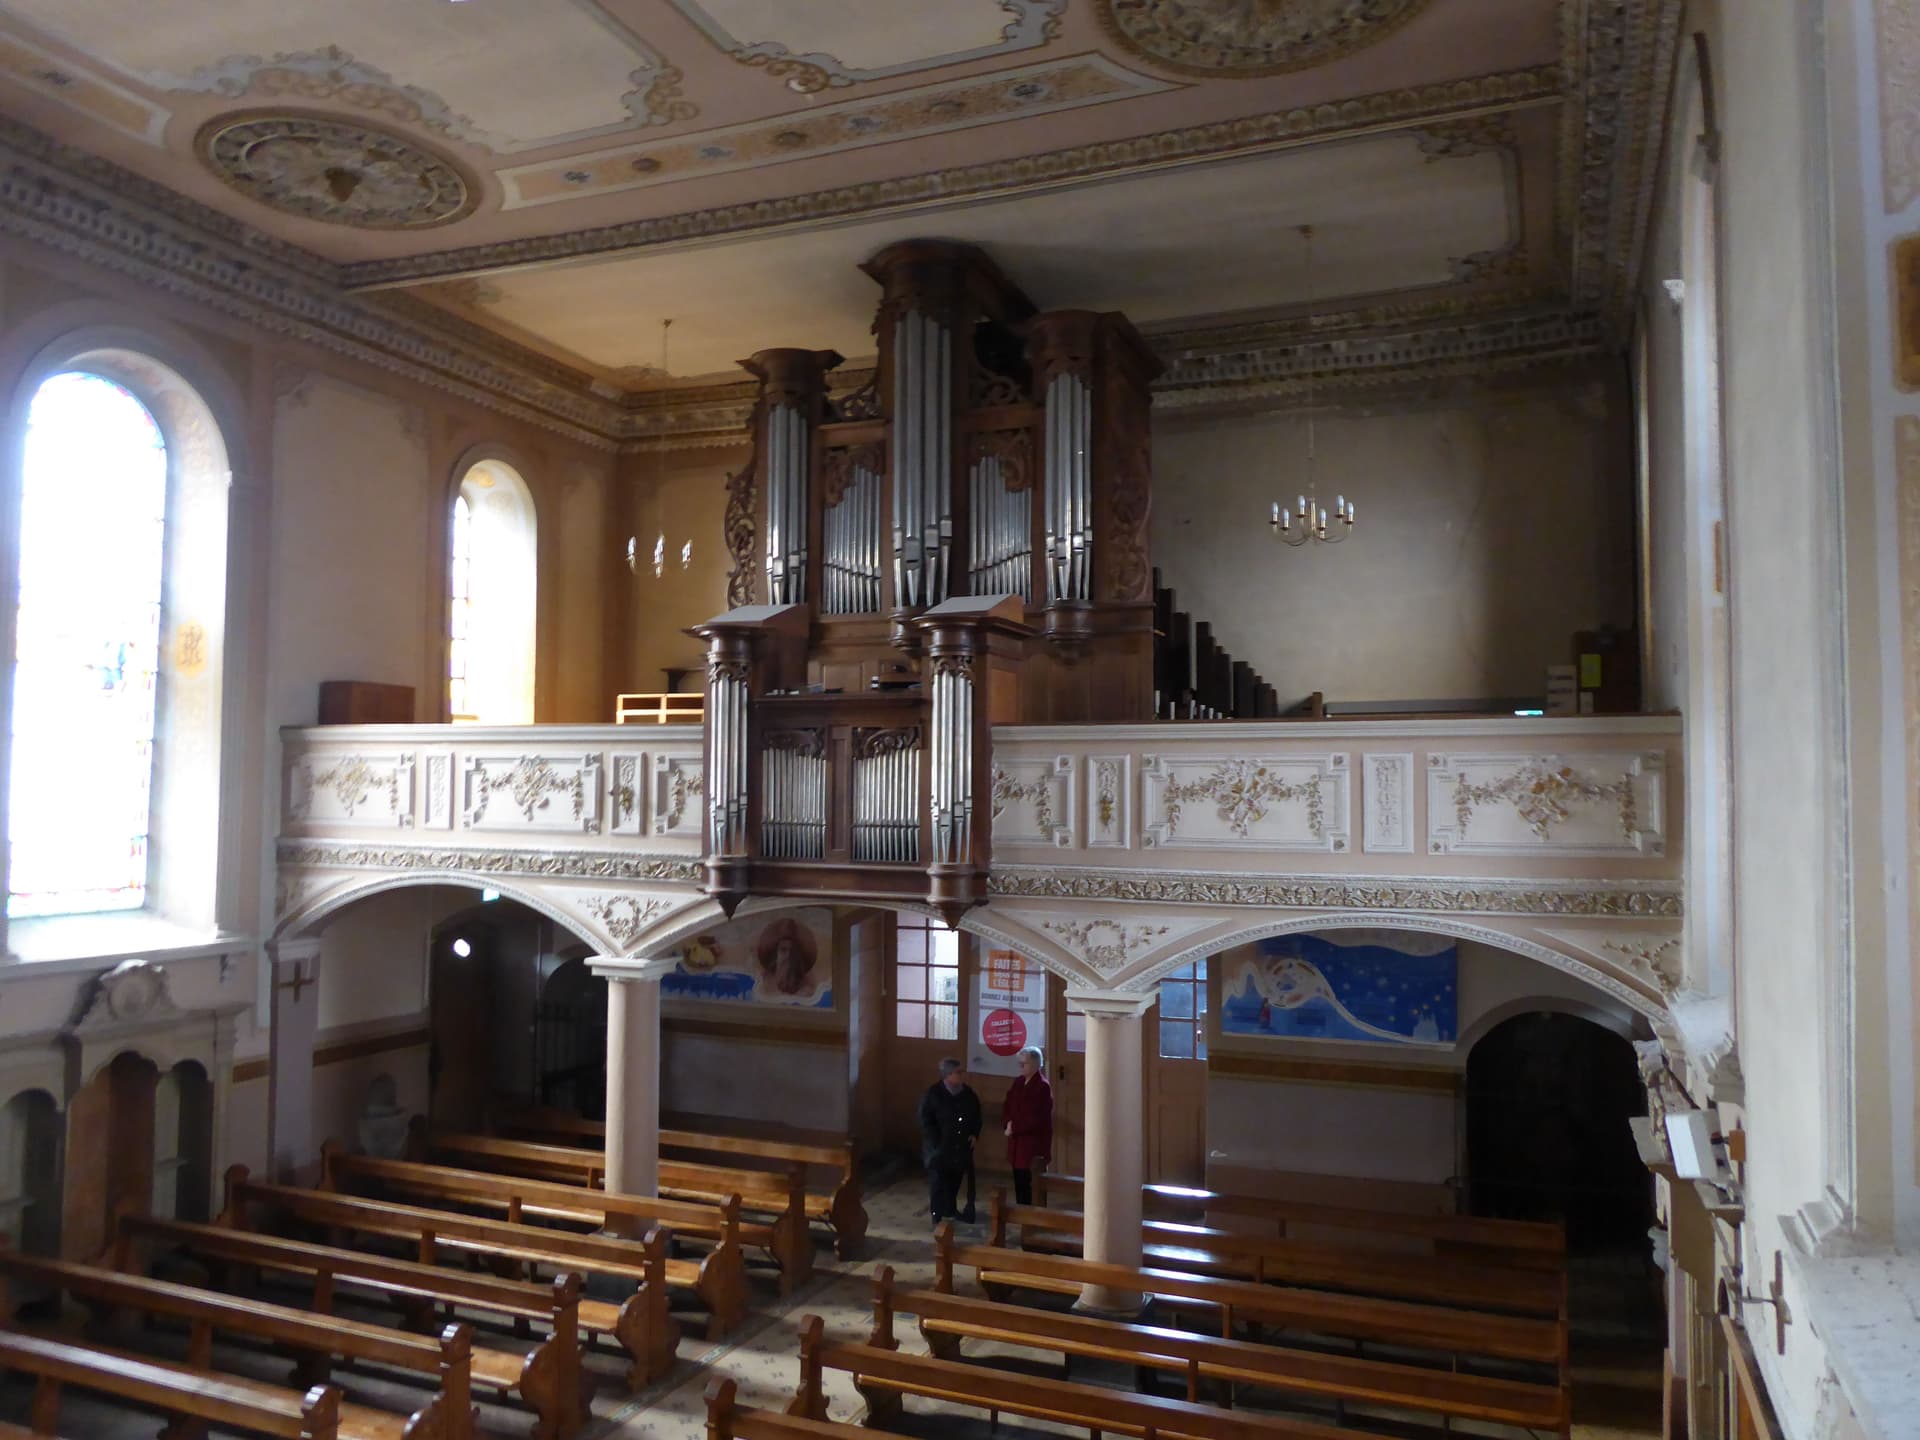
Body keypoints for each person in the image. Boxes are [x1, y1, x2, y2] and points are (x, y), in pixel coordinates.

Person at [918, 1057, 981, 1228]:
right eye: (958, 1072)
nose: (962, 1075)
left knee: (955, 1180)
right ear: (947, 1075)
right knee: (938, 1183)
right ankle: (937, 1216)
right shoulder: (934, 1093)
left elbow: (976, 1115)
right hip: (939, 1148)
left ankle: (950, 1210)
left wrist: (974, 1134)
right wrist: (936, 1140)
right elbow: (925, 1119)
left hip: (960, 1147)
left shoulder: (968, 1094)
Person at [1001, 1046, 1053, 1206]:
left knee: (1031, 1182)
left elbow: (1036, 1118)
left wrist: (1014, 1127)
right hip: (1017, 1142)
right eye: (1020, 1064)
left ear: (1036, 1065)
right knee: (1019, 1180)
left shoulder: (1042, 1086)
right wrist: (1008, 1122)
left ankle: (1033, 1216)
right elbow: (1008, 1104)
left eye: (1025, 1064)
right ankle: (1021, 1212)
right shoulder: (1018, 1082)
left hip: (1032, 1143)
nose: (1021, 1067)